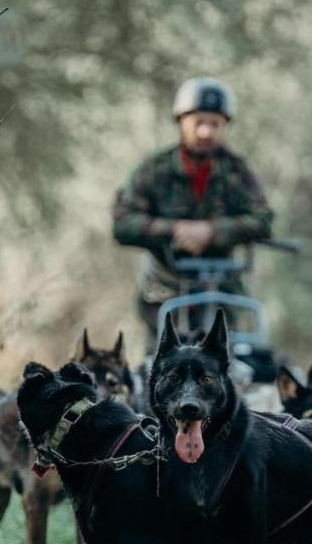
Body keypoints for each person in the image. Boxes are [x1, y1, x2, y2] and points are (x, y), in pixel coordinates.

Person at [112, 78, 273, 347]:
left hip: (222, 292)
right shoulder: (155, 170)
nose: (206, 132)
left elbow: (263, 219)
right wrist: (175, 230)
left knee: (230, 366)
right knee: (161, 369)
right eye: (198, 122)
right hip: (165, 292)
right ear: (181, 121)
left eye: (214, 124)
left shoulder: (237, 171)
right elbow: (123, 223)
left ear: (225, 126)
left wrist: (212, 232)